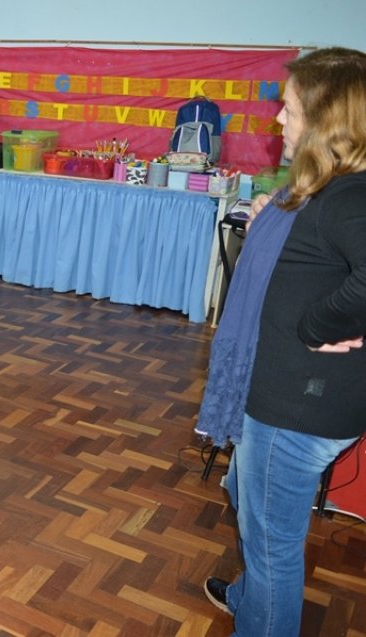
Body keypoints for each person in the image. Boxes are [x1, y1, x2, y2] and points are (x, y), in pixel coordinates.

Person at [195, 48, 366, 637]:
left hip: (297, 408)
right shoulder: (328, 189)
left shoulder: (348, 196)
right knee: (249, 500)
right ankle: (250, 599)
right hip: (288, 398)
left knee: (272, 549)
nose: (278, 120)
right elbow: (320, 256)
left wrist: (320, 325)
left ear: (325, 122)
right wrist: (274, 220)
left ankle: (261, 613)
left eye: (289, 109)